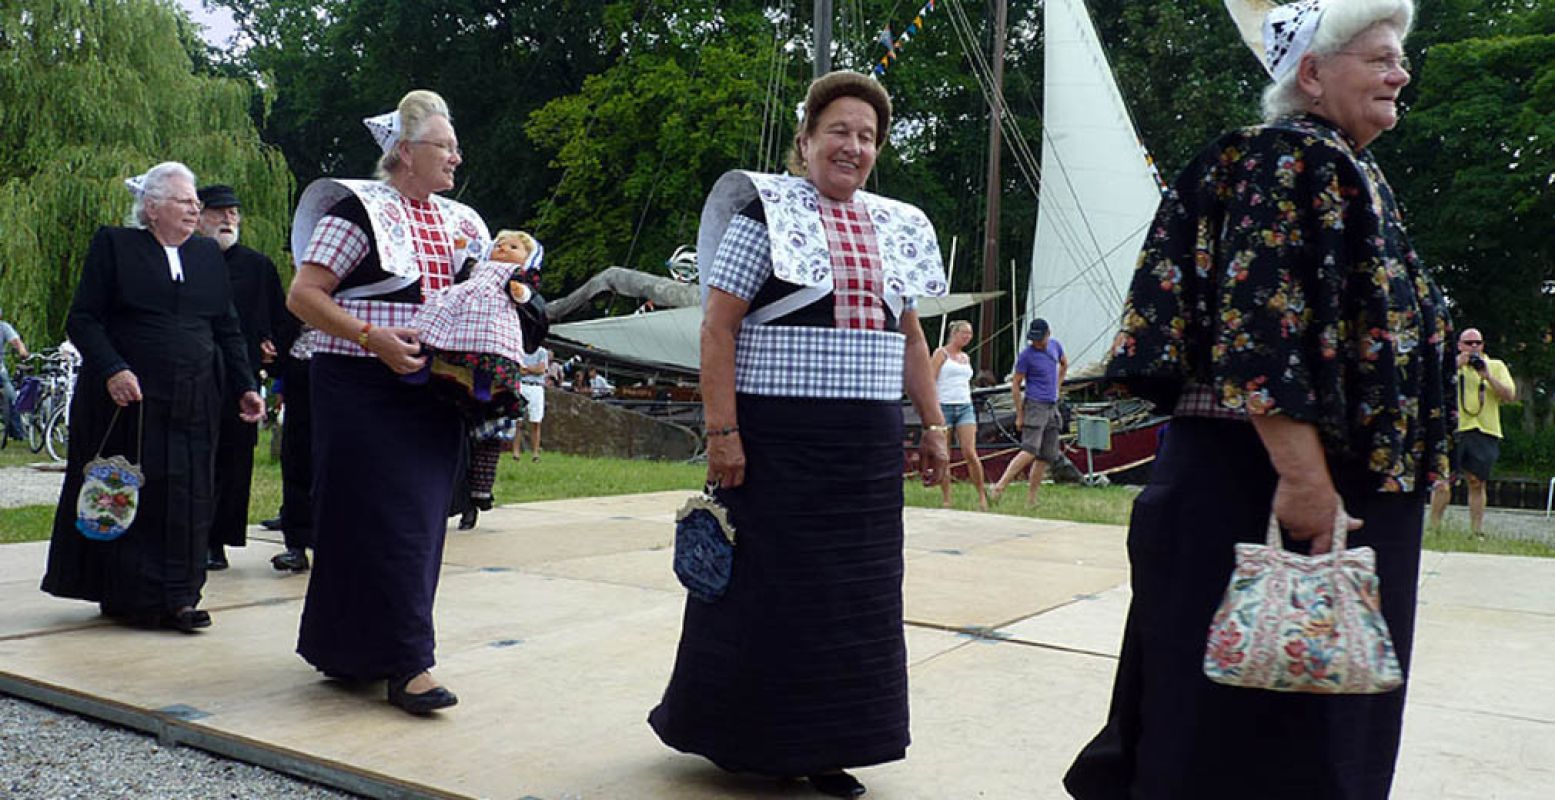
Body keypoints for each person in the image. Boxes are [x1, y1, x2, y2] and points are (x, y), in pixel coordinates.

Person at [1064, 2, 1452, 798]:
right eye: (1379, 57)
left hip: (1301, 481)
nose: (1399, 72)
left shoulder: (1337, 164)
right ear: (1310, 75)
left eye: (1398, 58)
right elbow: (1260, 329)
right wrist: (1303, 479)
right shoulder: (1288, 159)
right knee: (1256, 722)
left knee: (1281, 710)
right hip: (1271, 481)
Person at [648, 70, 951, 799]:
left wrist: (935, 423)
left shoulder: (895, 225)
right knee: (769, 593)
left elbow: (909, 337)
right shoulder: (764, 216)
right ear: (806, 140)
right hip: (777, 442)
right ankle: (749, 740)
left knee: (853, 599)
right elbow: (718, 327)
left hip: (865, 454)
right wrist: (722, 432)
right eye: (839, 132)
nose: (852, 147)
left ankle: (828, 745)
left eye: (867, 136)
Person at [286, 89, 490, 715]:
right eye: (445, 146)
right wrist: (370, 337)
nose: (457, 157)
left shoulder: (462, 222)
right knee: (389, 521)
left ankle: (345, 650)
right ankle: (409, 664)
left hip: (433, 393)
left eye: (455, 146)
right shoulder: (356, 212)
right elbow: (304, 295)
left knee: (417, 524)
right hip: (360, 387)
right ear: (404, 152)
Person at [41, 162, 264, 633]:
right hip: (129, 401)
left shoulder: (206, 256)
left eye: (196, 203)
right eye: (185, 202)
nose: (195, 210)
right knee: (132, 489)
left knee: (189, 495)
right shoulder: (115, 246)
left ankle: (181, 596)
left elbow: (226, 326)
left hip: (195, 400)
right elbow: (83, 319)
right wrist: (113, 369)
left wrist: (246, 385)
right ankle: (126, 595)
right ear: (152, 207)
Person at [197, 184, 293, 571]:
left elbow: (278, 319)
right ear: (199, 215)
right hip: (195, 375)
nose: (227, 219)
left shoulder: (257, 266)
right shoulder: (187, 260)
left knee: (233, 464)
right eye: (218, 212)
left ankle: (216, 542)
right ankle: (188, 536)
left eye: (233, 212)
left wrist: (274, 355)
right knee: (195, 460)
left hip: (240, 380)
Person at [1429, 327, 1515, 537]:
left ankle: (1476, 531)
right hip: (1454, 428)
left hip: (1485, 429)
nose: (1474, 347)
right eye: (1469, 343)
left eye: (1478, 343)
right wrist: (1454, 367)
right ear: (1459, 345)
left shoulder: (1495, 365)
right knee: (1443, 480)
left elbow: (1509, 395)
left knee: (1477, 482)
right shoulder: (1449, 365)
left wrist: (1487, 377)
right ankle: (1434, 529)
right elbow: (1431, 388)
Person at [990, 319, 1068, 507]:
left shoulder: (1055, 346)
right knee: (1029, 450)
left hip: (1051, 405)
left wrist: (1058, 387)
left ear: (1048, 335)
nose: (1036, 343)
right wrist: (1020, 413)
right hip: (1035, 405)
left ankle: (1031, 500)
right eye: (1033, 339)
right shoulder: (1026, 356)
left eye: (1039, 339)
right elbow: (1016, 384)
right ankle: (999, 487)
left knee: (1045, 455)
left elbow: (1064, 363)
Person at [932, 320, 988, 509]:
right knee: (944, 454)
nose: (967, 337)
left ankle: (981, 495)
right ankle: (947, 498)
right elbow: (931, 379)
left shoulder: (965, 357)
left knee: (969, 451)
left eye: (970, 334)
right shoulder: (941, 354)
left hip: (964, 405)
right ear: (954, 333)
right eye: (964, 333)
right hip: (944, 405)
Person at [0, 307, 30, 440]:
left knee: (12, 397)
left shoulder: (4, 327)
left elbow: (16, 341)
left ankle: (17, 433)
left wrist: (22, 350)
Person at [516, 344, 549, 461]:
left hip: (536, 387)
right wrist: (533, 369)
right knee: (518, 421)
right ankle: (516, 453)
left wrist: (527, 368)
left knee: (536, 421)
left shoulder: (542, 351)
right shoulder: (519, 349)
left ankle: (535, 453)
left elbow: (541, 370)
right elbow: (519, 369)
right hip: (522, 385)